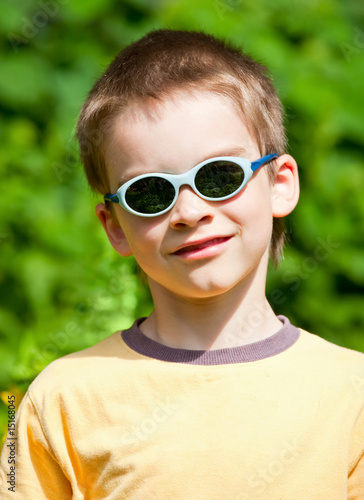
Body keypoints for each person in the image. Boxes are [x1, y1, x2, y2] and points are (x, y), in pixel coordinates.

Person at [1, 29, 363, 499]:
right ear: (113, 225)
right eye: (149, 193)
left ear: (280, 184)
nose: (190, 212)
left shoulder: (352, 393)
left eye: (219, 176)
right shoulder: (61, 399)